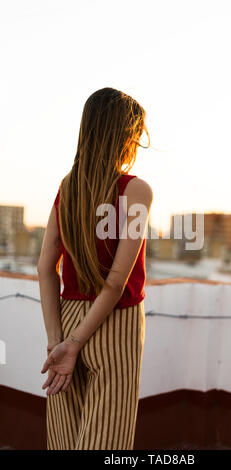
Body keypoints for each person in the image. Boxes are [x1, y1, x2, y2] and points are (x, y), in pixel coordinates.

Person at [37, 87, 153, 450]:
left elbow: (45, 267)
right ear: (126, 137)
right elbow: (116, 282)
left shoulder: (66, 188)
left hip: (67, 317)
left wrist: (59, 341)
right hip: (115, 324)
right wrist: (75, 344)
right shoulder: (136, 191)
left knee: (64, 442)